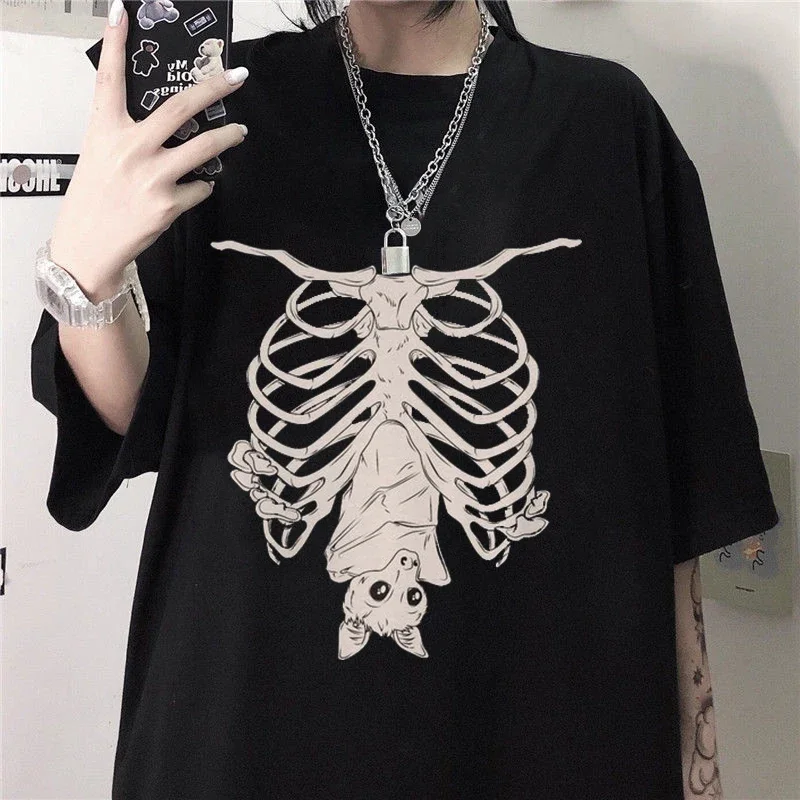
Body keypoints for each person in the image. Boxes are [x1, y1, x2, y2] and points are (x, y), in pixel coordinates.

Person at [29, 0, 779, 797]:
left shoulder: (607, 123)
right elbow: (125, 415)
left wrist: (699, 768)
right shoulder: (212, 103)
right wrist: (86, 270)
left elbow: (678, 498)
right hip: (243, 735)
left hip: (543, 739)